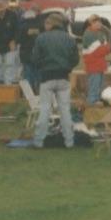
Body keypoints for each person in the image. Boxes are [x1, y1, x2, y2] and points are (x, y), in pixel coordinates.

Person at [31, 14, 79, 149]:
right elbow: (75, 59)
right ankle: (69, 142)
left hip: (47, 77)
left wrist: (42, 67)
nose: (44, 26)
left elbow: (35, 59)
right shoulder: (69, 38)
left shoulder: (41, 38)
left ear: (50, 24)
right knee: (65, 110)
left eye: (46, 24)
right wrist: (68, 67)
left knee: (45, 109)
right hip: (63, 77)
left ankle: (39, 141)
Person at [81, 16, 111, 106]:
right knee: (94, 86)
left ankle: (96, 101)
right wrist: (107, 45)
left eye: (100, 22)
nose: (100, 24)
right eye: (96, 22)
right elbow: (101, 50)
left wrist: (106, 46)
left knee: (99, 86)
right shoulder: (89, 34)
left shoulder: (99, 33)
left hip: (100, 64)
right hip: (93, 65)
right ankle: (92, 103)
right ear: (91, 23)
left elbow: (107, 49)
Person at [0, 0, 20, 84]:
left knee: (10, 64)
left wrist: (15, 41)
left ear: (5, 9)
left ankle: (9, 84)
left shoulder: (13, 16)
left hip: (10, 45)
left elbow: (18, 30)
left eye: (1, 11)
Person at [16, 4, 42, 87]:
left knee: (28, 71)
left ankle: (29, 90)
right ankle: (38, 87)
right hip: (38, 53)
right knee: (38, 71)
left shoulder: (22, 26)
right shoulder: (40, 26)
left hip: (26, 52)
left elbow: (18, 40)